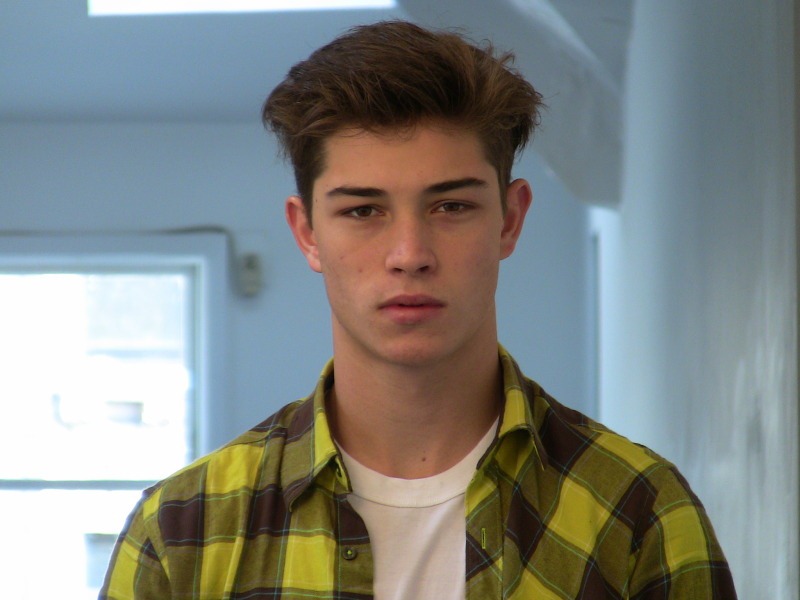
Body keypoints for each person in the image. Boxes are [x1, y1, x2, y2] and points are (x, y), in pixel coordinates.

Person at [100, 20, 736, 599]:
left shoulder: (638, 513)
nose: (409, 255)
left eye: (451, 206)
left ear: (510, 220)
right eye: (362, 210)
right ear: (307, 233)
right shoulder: (183, 533)